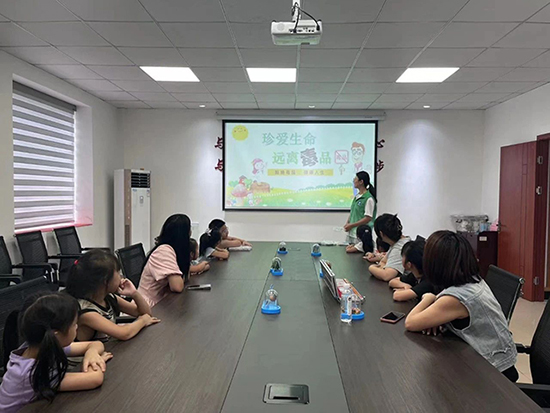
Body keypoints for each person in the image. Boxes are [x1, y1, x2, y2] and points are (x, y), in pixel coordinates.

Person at [405, 231, 518, 382]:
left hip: (495, 371)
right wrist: (439, 316)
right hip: (494, 357)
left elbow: (411, 323)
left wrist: (428, 298)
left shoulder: (456, 297)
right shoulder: (473, 280)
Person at [0, 293, 112, 412]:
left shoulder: (40, 345)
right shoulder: (31, 373)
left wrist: (92, 354)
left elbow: (95, 344)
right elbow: (94, 379)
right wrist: (96, 363)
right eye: (74, 324)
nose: (77, 327)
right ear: (56, 334)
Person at [66, 250, 159, 342]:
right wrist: (142, 321)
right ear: (105, 281)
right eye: (118, 272)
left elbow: (145, 313)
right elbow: (124, 333)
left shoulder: (108, 297)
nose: (121, 276)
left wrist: (134, 293)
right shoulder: (87, 312)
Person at [138, 214, 192, 307]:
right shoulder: (164, 251)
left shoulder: (172, 250)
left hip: (160, 302)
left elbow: (185, 275)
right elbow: (177, 287)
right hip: (148, 306)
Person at [369, 214, 410, 281]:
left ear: (381, 234)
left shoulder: (400, 248)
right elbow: (383, 261)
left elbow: (387, 276)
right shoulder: (398, 242)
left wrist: (371, 267)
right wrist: (382, 268)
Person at [344, 171, 376, 244]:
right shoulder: (357, 196)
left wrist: (351, 225)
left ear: (361, 182)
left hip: (361, 234)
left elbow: (368, 218)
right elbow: (353, 212)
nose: (353, 181)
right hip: (352, 233)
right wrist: (348, 223)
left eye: (355, 179)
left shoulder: (368, 198)